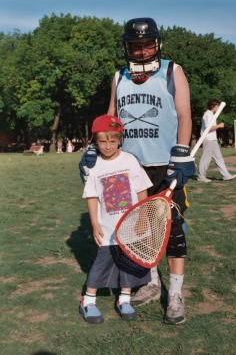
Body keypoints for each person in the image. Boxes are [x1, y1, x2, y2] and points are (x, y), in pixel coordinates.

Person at [80, 17, 195, 325]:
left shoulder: (173, 70)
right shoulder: (120, 77)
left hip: (163, 165)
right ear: (127, 47)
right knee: (137, 230)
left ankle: (176, 295)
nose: (142, 52)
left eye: (147, 45)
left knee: (172, 231)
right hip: (128, 167)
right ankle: (151, 283)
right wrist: (95, 145)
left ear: (157, 44)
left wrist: (181, 153)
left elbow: (184, 115)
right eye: (135, 46)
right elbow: (111, 116)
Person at [79, 114, 153, 324]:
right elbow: (92, 197)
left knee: (129, 263)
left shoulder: (129, 160)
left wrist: (142, 218)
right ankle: (88, 300)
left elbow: (141, 191)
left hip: (131, 228)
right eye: (103, 141)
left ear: (120, 138)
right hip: (107, 229)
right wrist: (94, 224)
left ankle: (124, 299)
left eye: (113, 140)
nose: (108, 146)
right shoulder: (94, 167)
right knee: (102, 263)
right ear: (95, 140)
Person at [197, 99, 236, 183]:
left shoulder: (211, 114)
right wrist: (219, 125)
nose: (218, 108)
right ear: (213, 106)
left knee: (219, 158)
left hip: (213, 140)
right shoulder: (208, 114)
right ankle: (201, 177)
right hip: (208, 140)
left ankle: (226, 175)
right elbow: (208, 128)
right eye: (217, 106)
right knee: (205, 159)